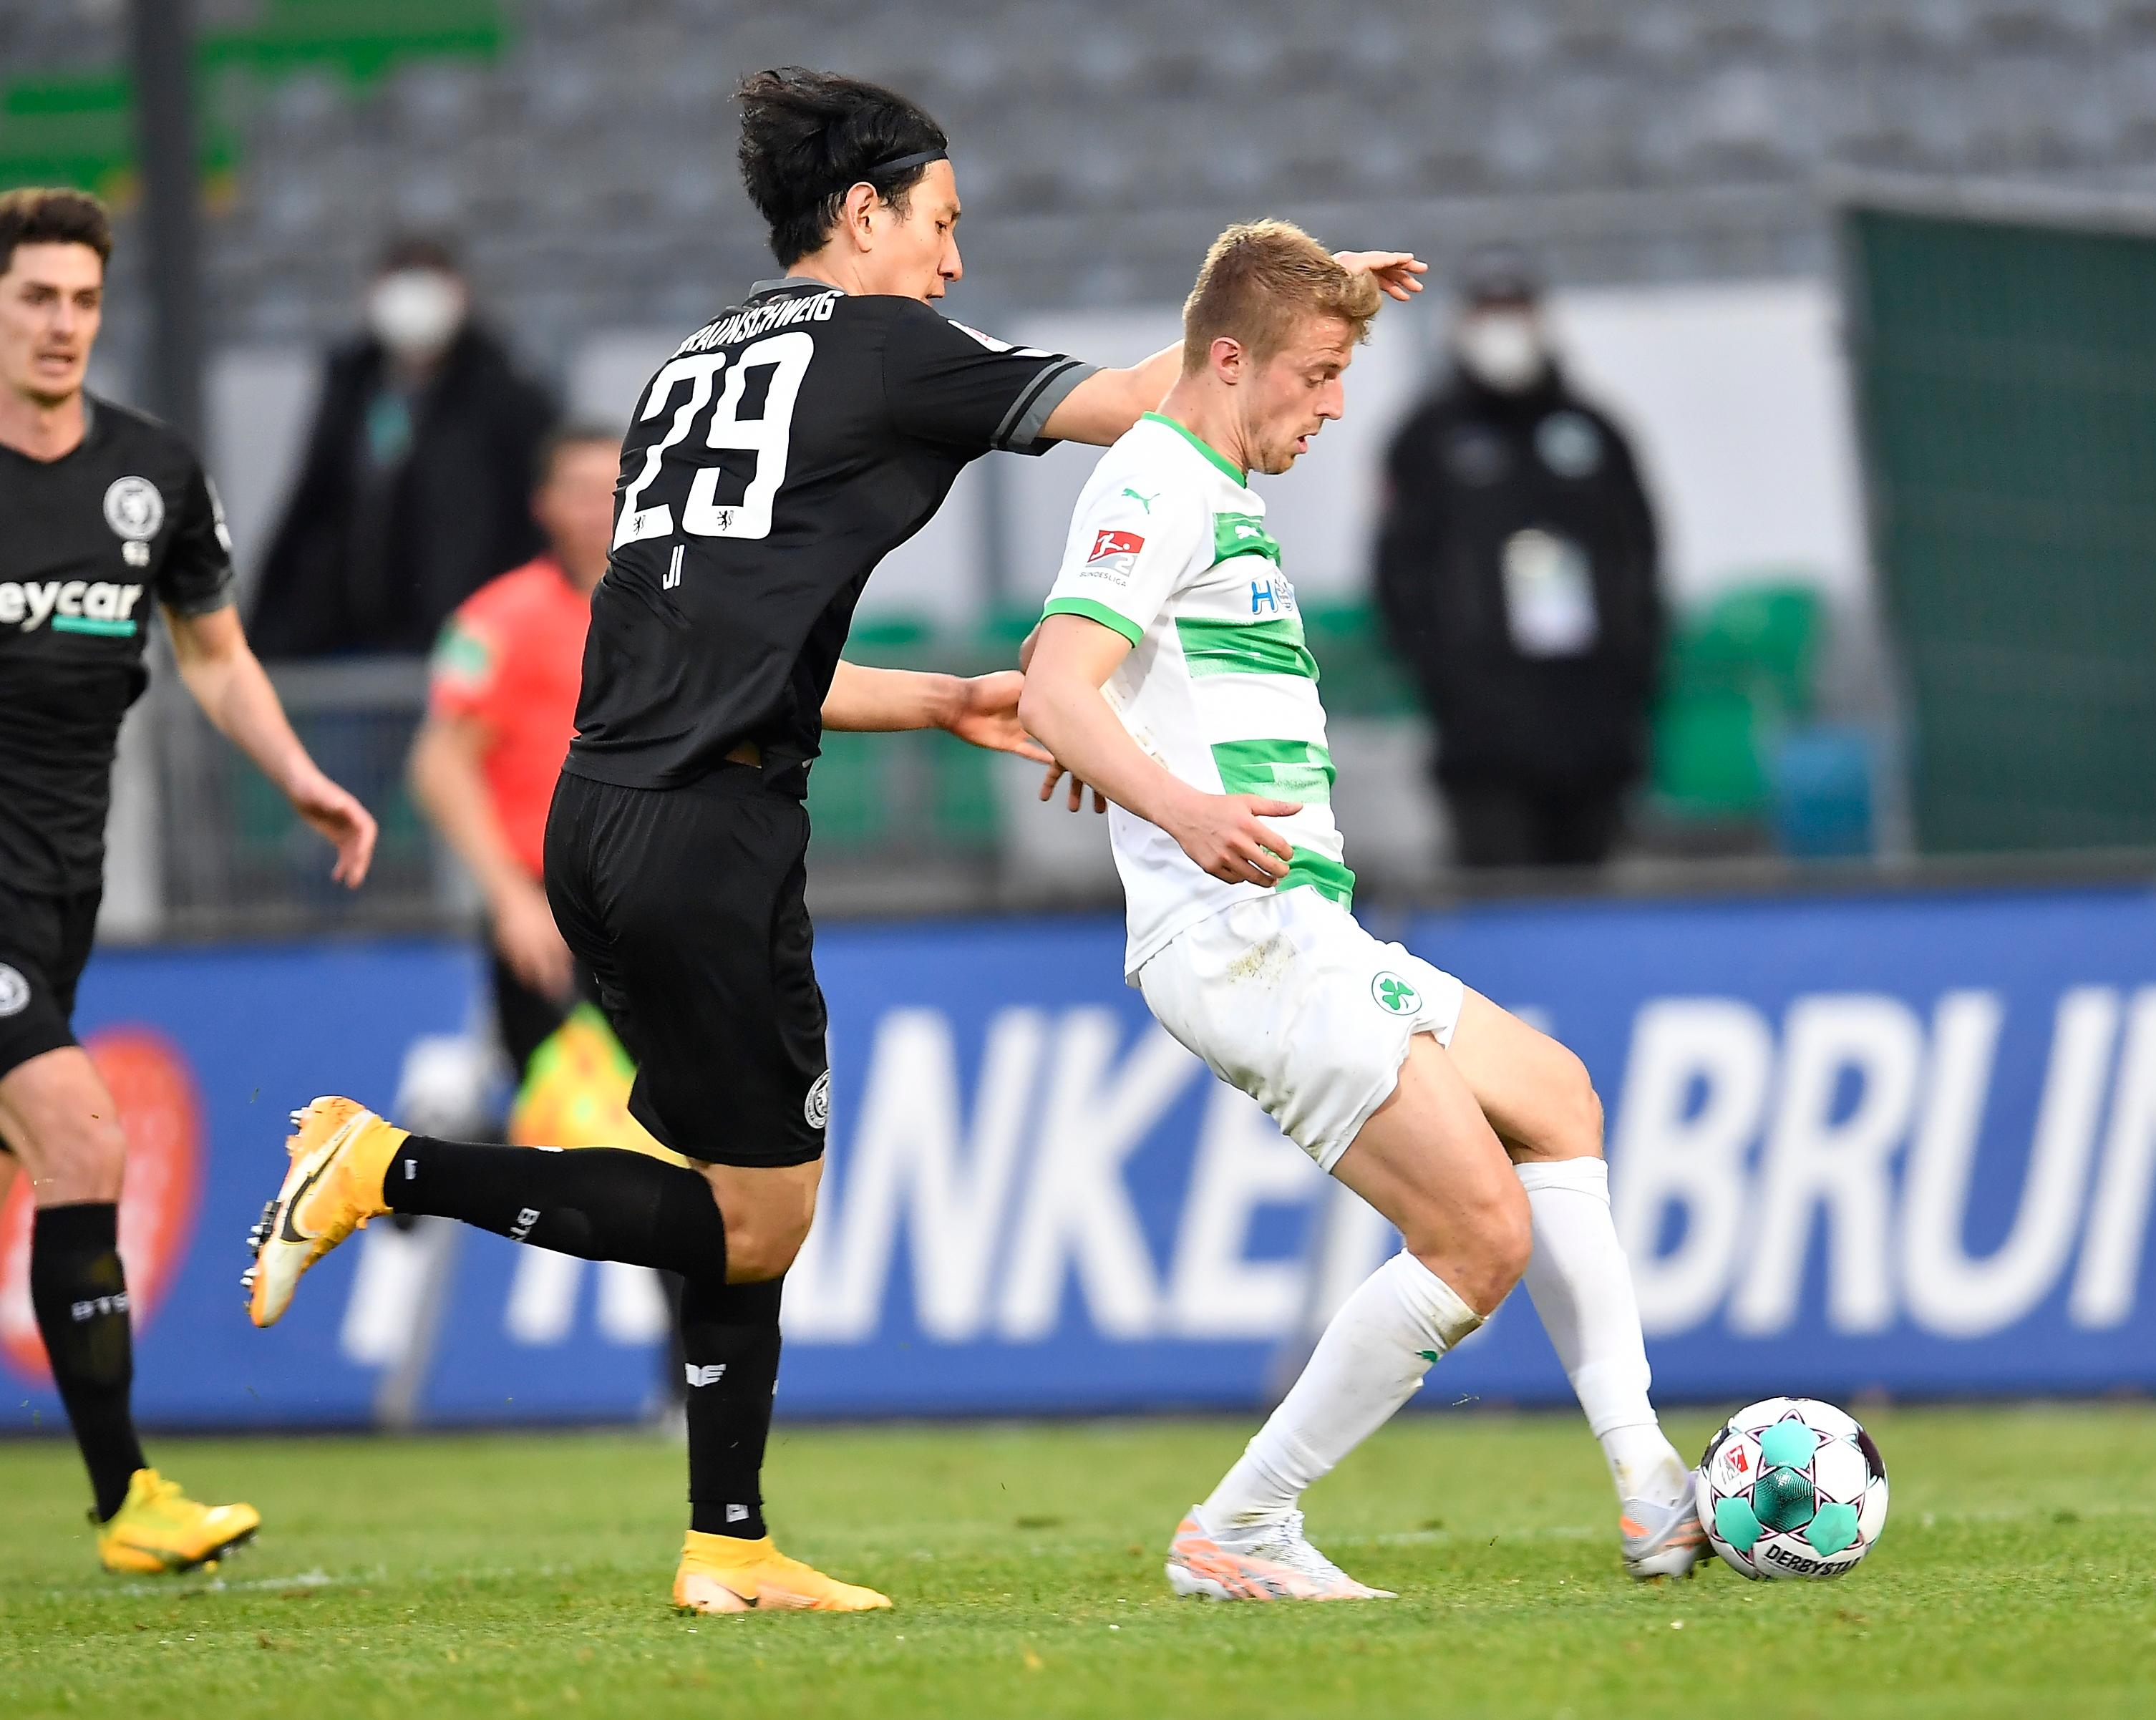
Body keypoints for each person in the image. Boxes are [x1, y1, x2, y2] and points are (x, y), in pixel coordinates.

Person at [242, 67, 1426, 1614]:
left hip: (600, 813)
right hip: (708, 832)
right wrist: (1307, 301)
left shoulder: (688, 364)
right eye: (939, 223)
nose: (952, 262)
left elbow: (734, 645)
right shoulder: (884, 346)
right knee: (762, 1211)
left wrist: (941, 698)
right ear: (860, 211)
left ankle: (726, 1541)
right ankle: (383, 1164)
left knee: (736, 1185)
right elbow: (1152, 401)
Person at [1018, 220, 1702, 1601]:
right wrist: (1175, 802)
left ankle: (1650, 1491)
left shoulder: (1199, 459)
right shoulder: (1159, 480)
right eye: (1320, 374)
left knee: (1558, 1099)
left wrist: (1331, 288)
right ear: (1232, 362)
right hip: (1244, 932)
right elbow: (1057, 682)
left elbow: (1085, 672)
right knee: (1479, 1237)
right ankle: (1241, 1526)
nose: (1334, 407)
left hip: (1301, 922)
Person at [0, 188, 379, 1572]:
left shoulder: (150, 474)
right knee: (82, 1139)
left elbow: (213, 654)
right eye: (36, 296)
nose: (61, 324)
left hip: (55, 895)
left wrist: (295, 772)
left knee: (57, 1148)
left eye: (83, 301)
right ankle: (126, 1501)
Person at [1372, 262, 1663, 868]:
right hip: (1483, 737)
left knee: (1592, 903)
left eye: (1517, 315)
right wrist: (1446, 679)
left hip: (1594, 726)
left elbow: (1642, 560)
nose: (1505, 332)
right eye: (1490, 315)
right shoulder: (1428, 440)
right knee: (1500, 899)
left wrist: (1629, 676)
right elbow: (1398, 573)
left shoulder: (1594, 432)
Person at [408, 423, 625, 1083]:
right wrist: (511, 899)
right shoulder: (499, 621)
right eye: (580, 491)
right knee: (568, 1127)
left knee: (687, 1130)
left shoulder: (678, 607)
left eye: (613, 489)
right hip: (552, 907)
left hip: (659, 897)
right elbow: (439, 762)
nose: (599, 508)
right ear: (544, 505)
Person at [251, 234, 556, 659]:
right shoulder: (351, 388)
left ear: (460, 293)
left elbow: (530, 524)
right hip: (344, 641)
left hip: (465, 643)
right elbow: (312, 505)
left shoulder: (507, 395)